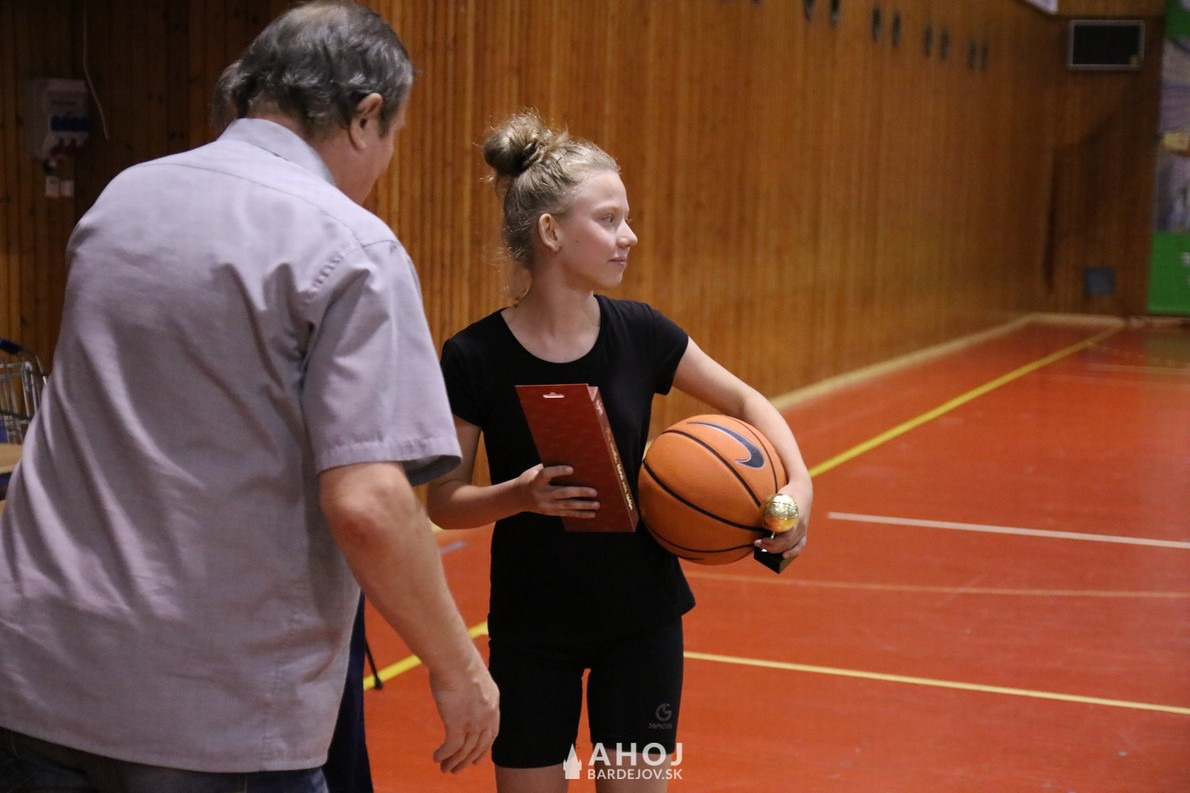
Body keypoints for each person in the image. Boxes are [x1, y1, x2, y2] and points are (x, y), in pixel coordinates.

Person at [0, 2, 498, 791]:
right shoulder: (351, 244)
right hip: (211, 711)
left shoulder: (122, 200)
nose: (385, 162)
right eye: (394, 136)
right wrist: (459, 667)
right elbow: (369, 503)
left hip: (37, 675)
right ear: (365, 115)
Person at [425, 111, 813, 793]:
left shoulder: (642, 332)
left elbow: (747, 401)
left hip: (642, 618)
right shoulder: (474, 355)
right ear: (551, 233)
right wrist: (519, 494)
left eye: (625, 219)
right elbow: (444, 502)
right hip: (531, 624)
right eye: (608, 220)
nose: (628, 236)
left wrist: (798, 490)